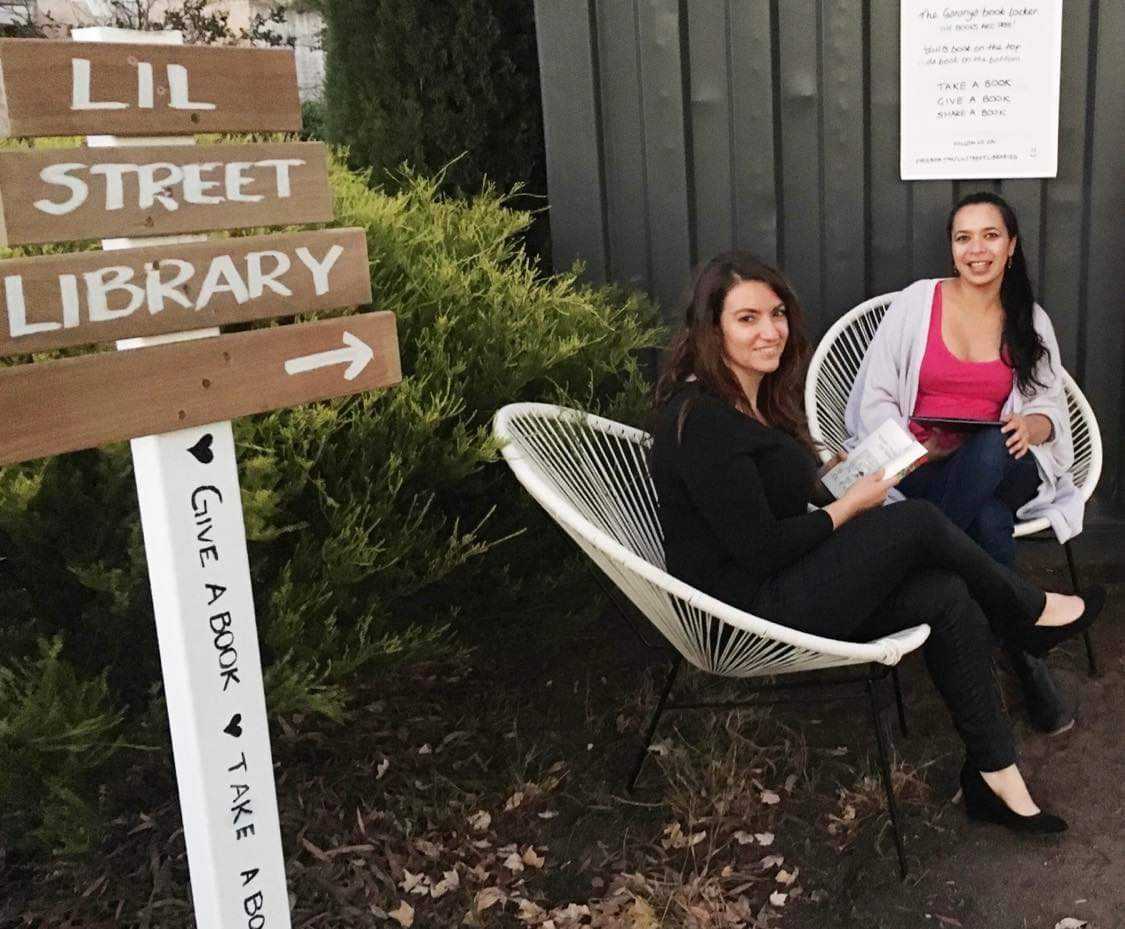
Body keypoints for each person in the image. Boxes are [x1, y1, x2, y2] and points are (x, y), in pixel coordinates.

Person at [651, 251, 1104, 834]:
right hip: (743, 611)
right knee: (914, 522)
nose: (770, 331)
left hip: (784, 582)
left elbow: (776, 494)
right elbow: (761, 549)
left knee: (944, 593)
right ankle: (1028, 611)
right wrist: (849, 505)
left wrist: (841, 476)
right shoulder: (705, 418)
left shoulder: (756, 401)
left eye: (777, 313)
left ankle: (996, 778)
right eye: (747, 319)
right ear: (711, 330)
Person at [844, 191, 1080, 735]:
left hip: (1006, 461)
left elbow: (1048, 409)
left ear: (1012, 247)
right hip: (922, 463)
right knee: (991, 522)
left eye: (990, 236)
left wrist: (1031, 426)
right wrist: (914, 446)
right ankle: (1025, 649)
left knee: (992, 447)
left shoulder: (1029, 319)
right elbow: (876, 394)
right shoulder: (916, 304)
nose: (977, 249)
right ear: (951, 250)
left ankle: (912, 560)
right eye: (963, 237)